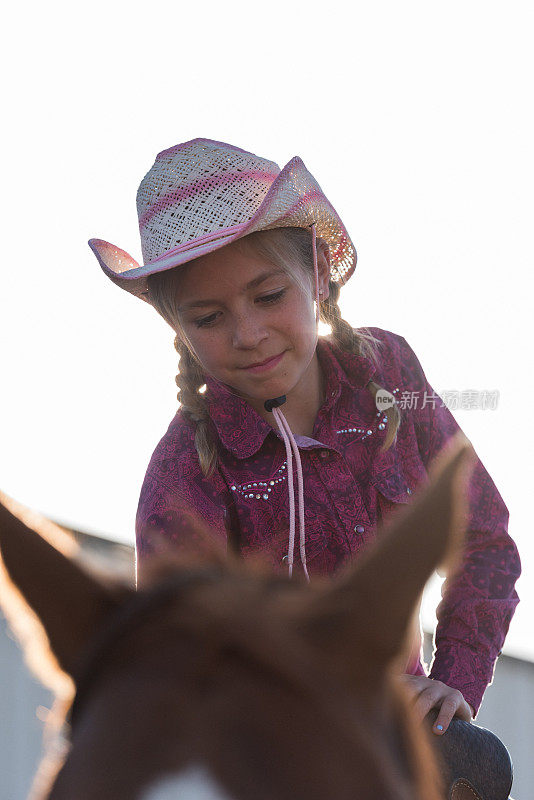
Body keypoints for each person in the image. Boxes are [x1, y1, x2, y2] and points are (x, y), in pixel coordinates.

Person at [89, 137, 520, 797]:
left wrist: (453, 681)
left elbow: (483, 536)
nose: (248, 332)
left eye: (267, 296)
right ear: (177, 326)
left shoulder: (388, 376)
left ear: (317, 271)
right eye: (208, 317)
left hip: (390, 746)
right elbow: (182, 666)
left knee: (480, 767)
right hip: (265, 760)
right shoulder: (184, 475)